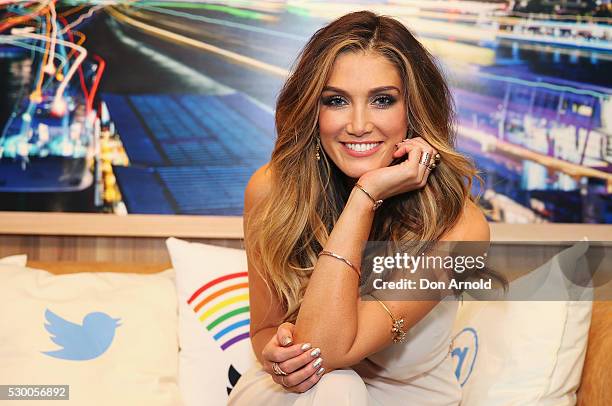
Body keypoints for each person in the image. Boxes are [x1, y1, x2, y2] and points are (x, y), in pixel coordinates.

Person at [228, 10, 492, 405]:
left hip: (407, 399)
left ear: (413, 110)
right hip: (291, 395)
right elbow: (266, 330)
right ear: (313, 111)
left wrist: (364, 197)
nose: (358, 124)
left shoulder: (461, 226)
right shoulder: (272, 190)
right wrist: (276, 352)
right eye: (336, 101)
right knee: (336, 386)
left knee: (339, 384)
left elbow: (328, 350)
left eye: (382, 100)